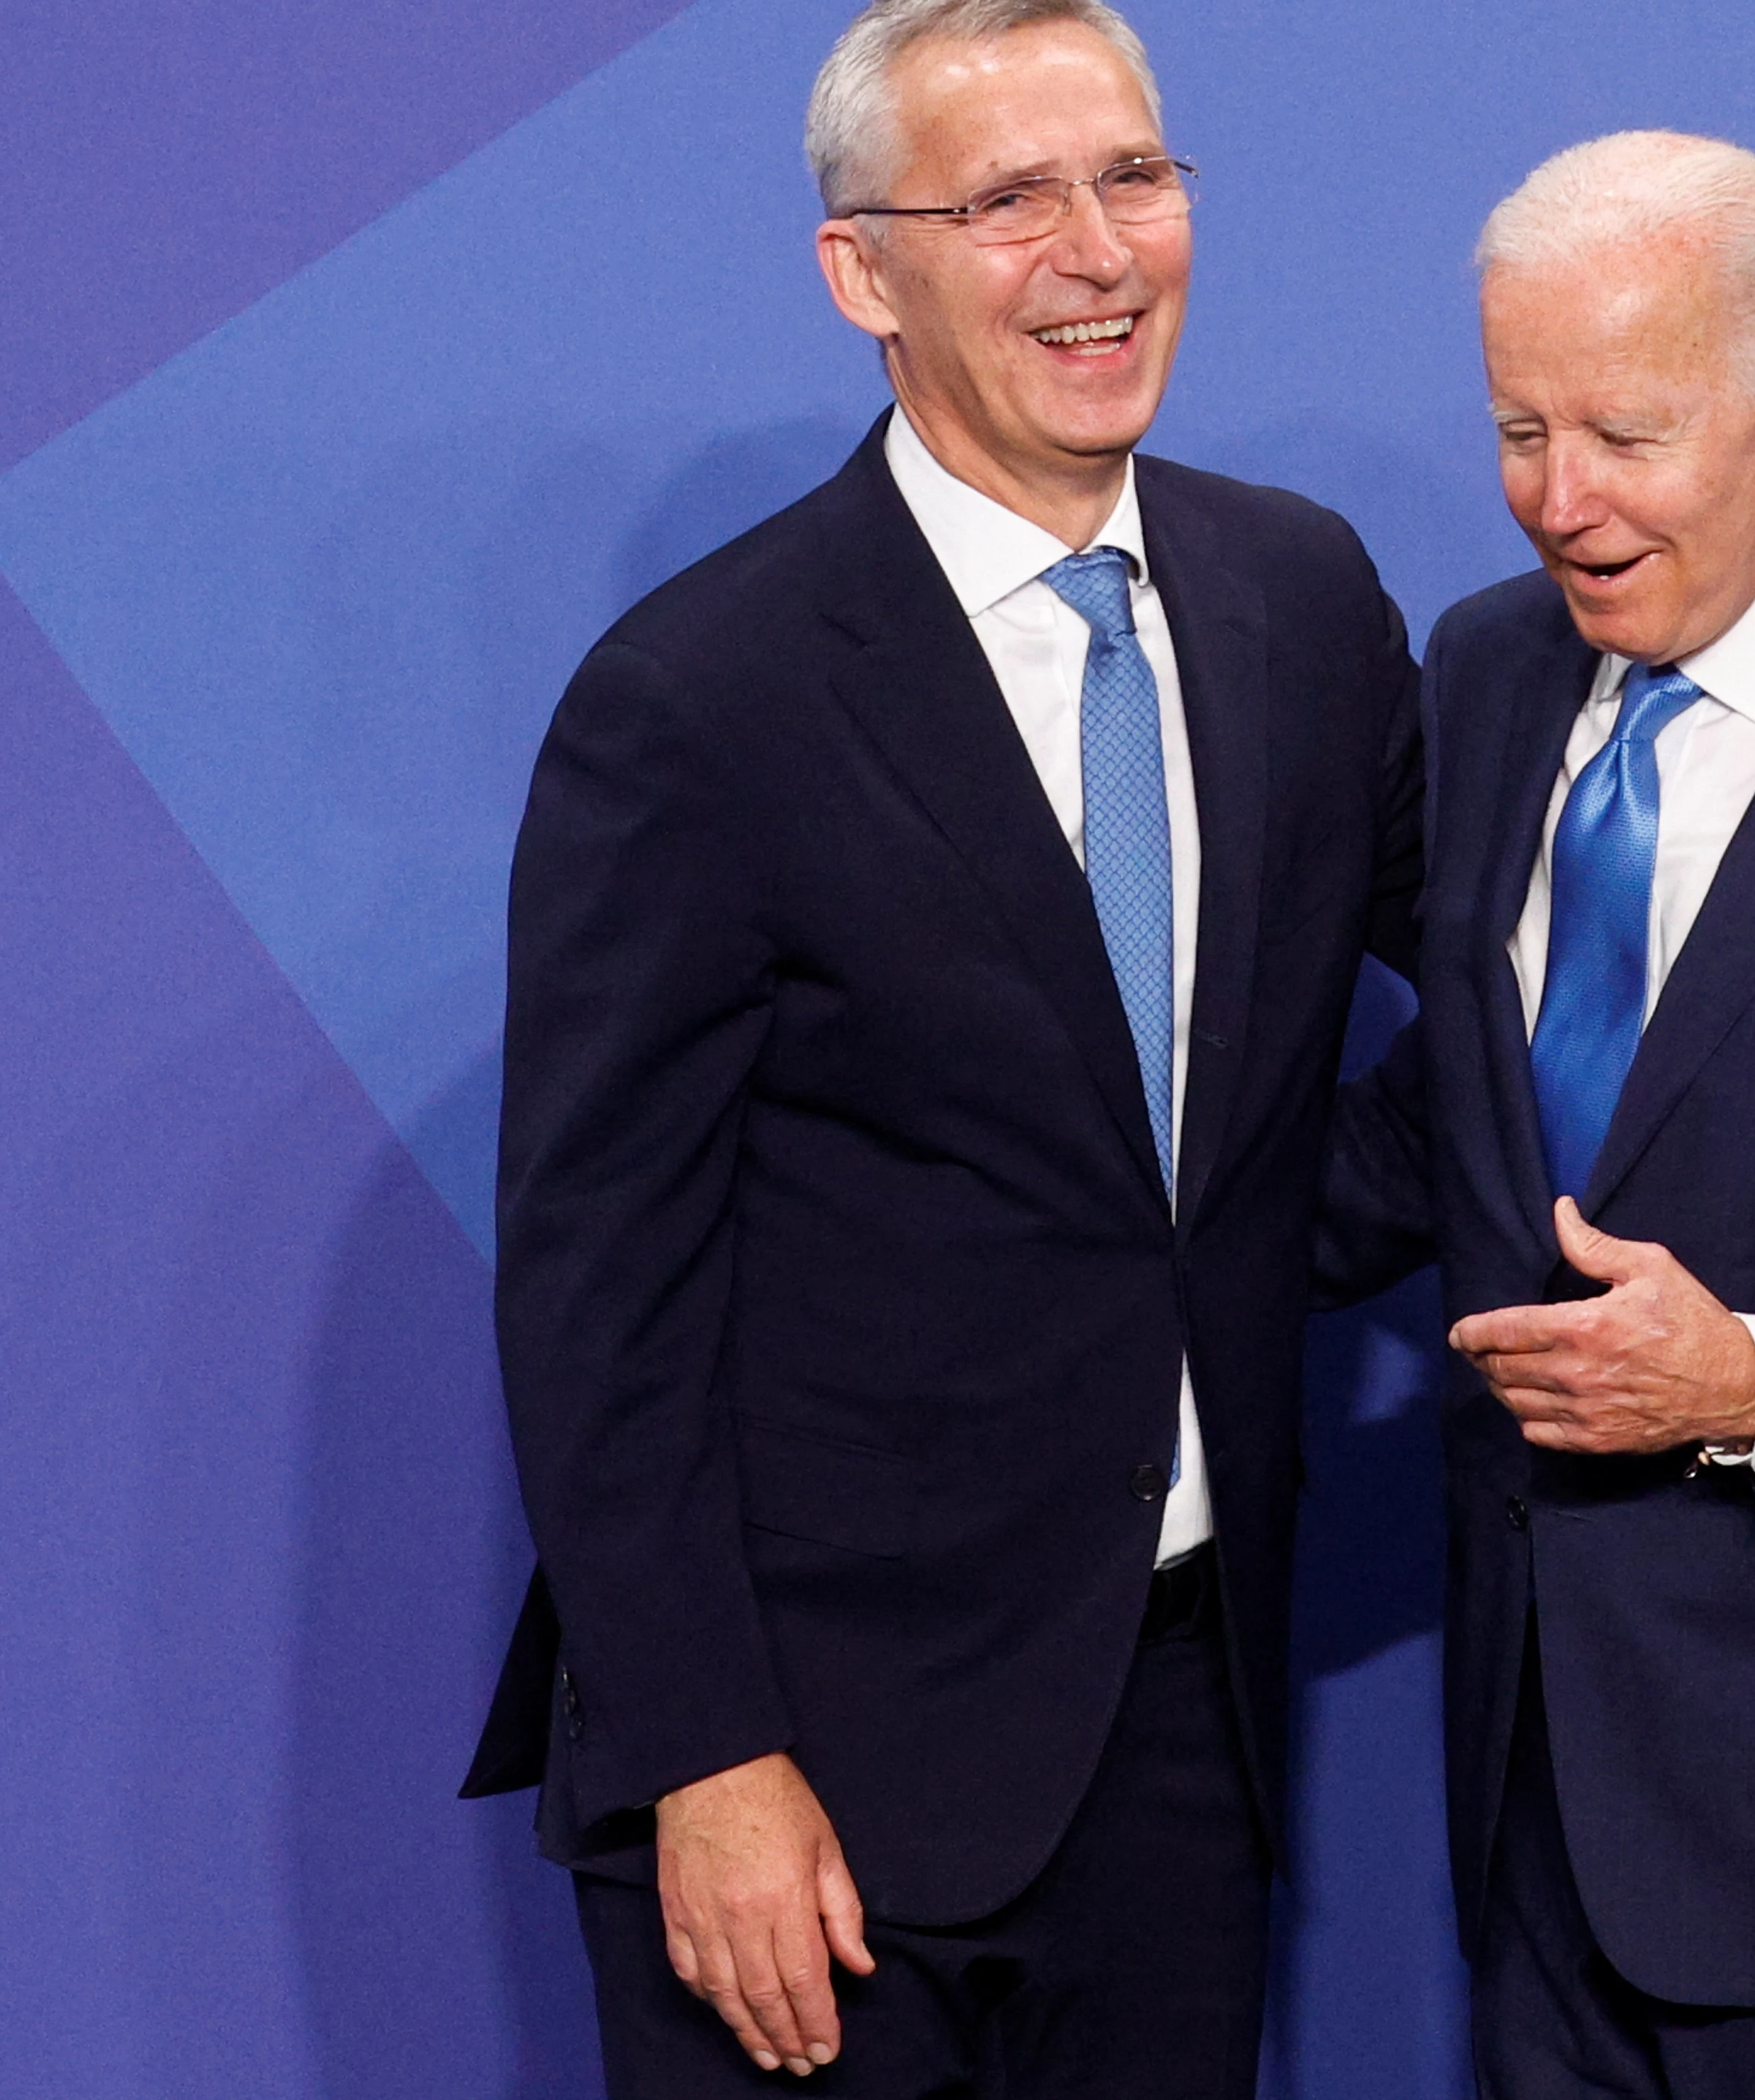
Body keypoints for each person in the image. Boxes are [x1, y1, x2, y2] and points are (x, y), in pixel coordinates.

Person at [462, 1, 1420, 2092]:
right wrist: (707, 1754)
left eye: (1134, 178)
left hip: (1182, 1740)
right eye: (1006, 199)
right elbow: (596, 1291)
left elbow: (1524, 971)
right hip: (809, 1781)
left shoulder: (1302, 601)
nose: (1097, 251)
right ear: (861, 272)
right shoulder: (699, 699)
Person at [1317, 133, 1755, 2099]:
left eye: (1623, 435)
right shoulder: (1477, 678)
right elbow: (1451, 1118)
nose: (1560, 501)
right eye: (1515, 430)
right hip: (1524, 1797)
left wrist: (1751, 1382)